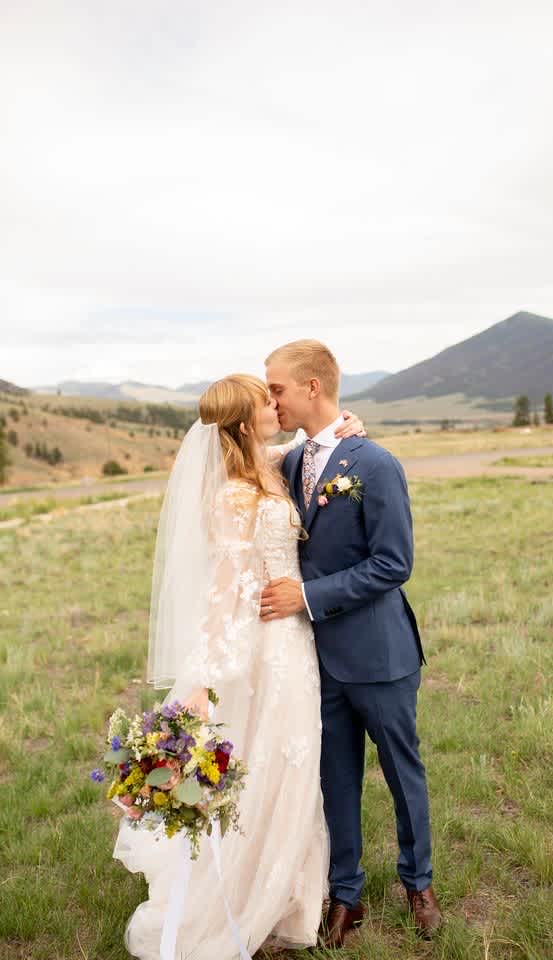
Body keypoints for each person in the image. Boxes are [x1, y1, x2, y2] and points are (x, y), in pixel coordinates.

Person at [112, 374, 364, 959]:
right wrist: (202, 678)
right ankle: (249, 895)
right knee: (272, 763)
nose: (276, 406)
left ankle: (292, 893)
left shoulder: (263, 466)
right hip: (266, 645)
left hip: (295, 638)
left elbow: (301, 450)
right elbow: (223, 591)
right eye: (265, 402)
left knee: (294, 766)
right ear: (247, 421)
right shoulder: (232, 495)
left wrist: (342, 429)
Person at [261, 340, 442, 946]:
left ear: (312, 387)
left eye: (278, 389)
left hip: (379, 654)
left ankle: (419, 883)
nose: (271, 401)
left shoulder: (377, 464)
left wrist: (306, 597)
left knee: (401, 773)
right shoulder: (291, 462)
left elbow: (394, 563)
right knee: (334, 778)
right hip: (316, 661)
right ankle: (346, 893)